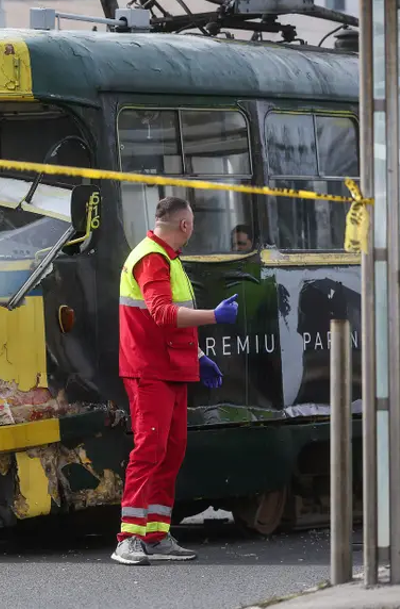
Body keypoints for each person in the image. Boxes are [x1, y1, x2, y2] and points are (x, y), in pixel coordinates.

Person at [113, 196, 239, 566]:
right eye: (193, 223)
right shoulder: (153, 258)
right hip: (149, 370)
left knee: (170, 450)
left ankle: (155, 534)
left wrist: (199, 358)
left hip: (168, 369)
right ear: (185, 225)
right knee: (150, 450)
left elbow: (168, 320)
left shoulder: (167, 258)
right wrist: (214, 316)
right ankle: (129, 539)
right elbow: (164, 314)